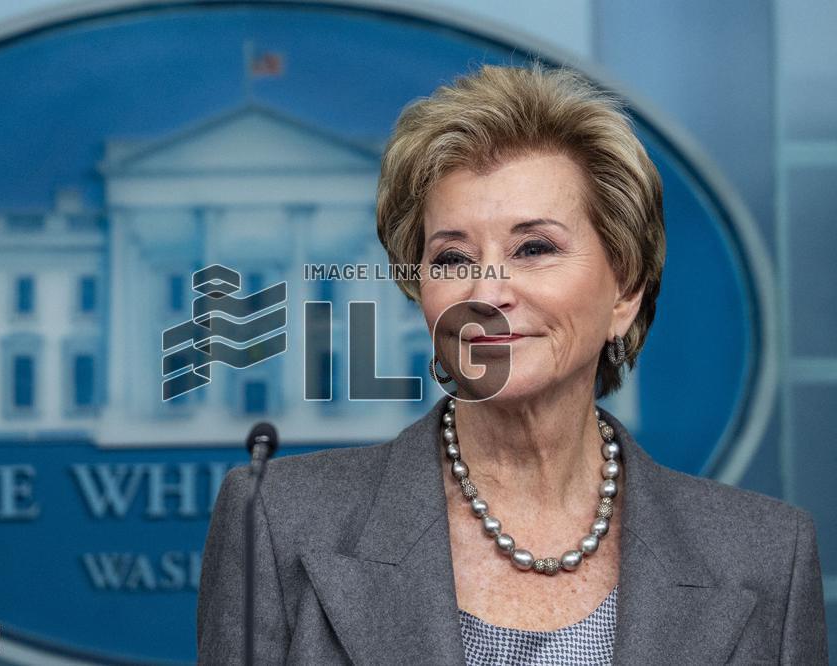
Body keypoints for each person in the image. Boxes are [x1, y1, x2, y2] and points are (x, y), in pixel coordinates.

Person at [196, 62, 829, 665]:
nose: (485, 293)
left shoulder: (766, 555)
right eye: (451, 259)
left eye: (533, 248)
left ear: (625, 290)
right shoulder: (274, 521)